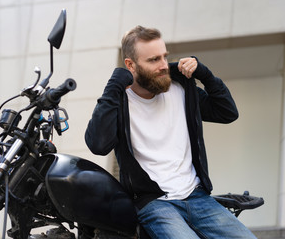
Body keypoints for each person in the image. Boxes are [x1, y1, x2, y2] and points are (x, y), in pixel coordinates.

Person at [84, 25, 256, 238]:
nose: (164, 65)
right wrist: (113, 87)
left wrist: (205, 74)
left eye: (164, 57)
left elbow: (227, 112)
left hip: (197, 196)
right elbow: (98, 145)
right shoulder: (119, 102)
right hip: (156, 204)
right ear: (131, 65)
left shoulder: (181, 88)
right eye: (153, 60)